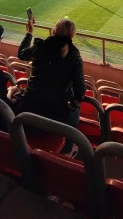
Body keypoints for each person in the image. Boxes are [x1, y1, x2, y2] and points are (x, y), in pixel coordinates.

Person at [15, 17, 85, 156]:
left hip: (31, 104)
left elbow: (22, 54)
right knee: (74, 109)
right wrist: (75, 101)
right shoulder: (73, 54)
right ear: (72, 35)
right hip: (58, 111)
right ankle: (67, 149)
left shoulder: (39, 46)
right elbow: (80, 90)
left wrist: (29, 33)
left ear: (53, 31)